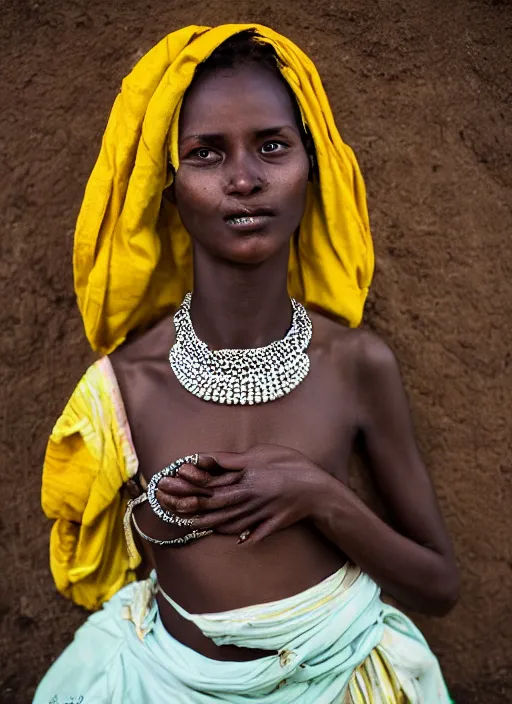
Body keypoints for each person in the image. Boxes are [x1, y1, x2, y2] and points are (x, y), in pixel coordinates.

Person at [34, 24, 459, 703]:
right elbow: (123, 559)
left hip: (341, 673)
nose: (244, 179)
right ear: (167, 186)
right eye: (206, 154)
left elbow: (438, 586)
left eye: (271, 146)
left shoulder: (355, 365)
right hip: (157, 681)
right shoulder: (127, 384)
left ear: (310, 166)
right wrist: (162, 514)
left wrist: (319, 496)